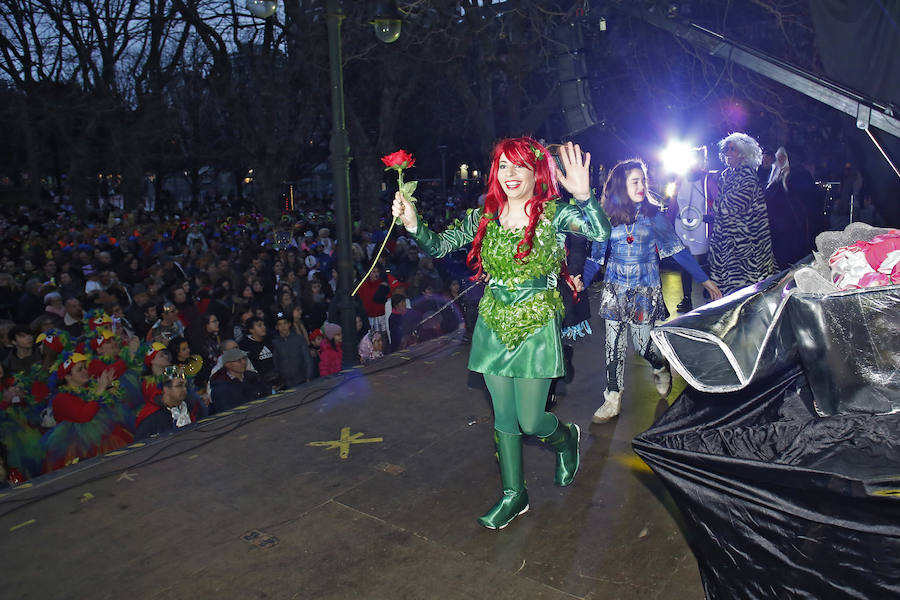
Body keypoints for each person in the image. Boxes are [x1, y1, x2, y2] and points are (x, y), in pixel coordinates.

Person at [391, 138, 610, 530]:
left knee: (530, 420)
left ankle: (566, 439)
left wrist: (584, 196)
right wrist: (413, 224)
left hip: (537, 325)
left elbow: (599, 231)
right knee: (504, 418)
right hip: (493, 323)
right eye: (503, 166)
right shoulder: (485, 216)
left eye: (519, 165)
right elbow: (441, 246)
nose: (510, 174)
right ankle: (514, 494)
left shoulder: (554, 214)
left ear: (536, 171)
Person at [584, 159, 722, 425]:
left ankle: (660, 366)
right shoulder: (607, 219)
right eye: (634, 180)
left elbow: (678, 250)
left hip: (644, 290)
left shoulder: (653, 216)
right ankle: (612, 397)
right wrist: (576, 283)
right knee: (612, 344)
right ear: (621, 185)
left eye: (642, 180)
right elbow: (595, 258)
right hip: (615, 287)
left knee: (642, 345)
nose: (641, 185)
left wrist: (704, 280)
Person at [708, 133, 776, 296]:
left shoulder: (747, 178)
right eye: (726, 149)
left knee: (743, 294)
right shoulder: (726, 177)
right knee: (727, 293)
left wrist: (715, 205)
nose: (728, 153)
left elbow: (727, 208)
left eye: (733, 149)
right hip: (726, 245)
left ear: (743, 153)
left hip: (744, 248)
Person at [134, 366, 194, 440]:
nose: (184, 389)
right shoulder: (152, 417)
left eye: (185, 386)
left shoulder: (191, 405)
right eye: (180, 385)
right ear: (166, 389)